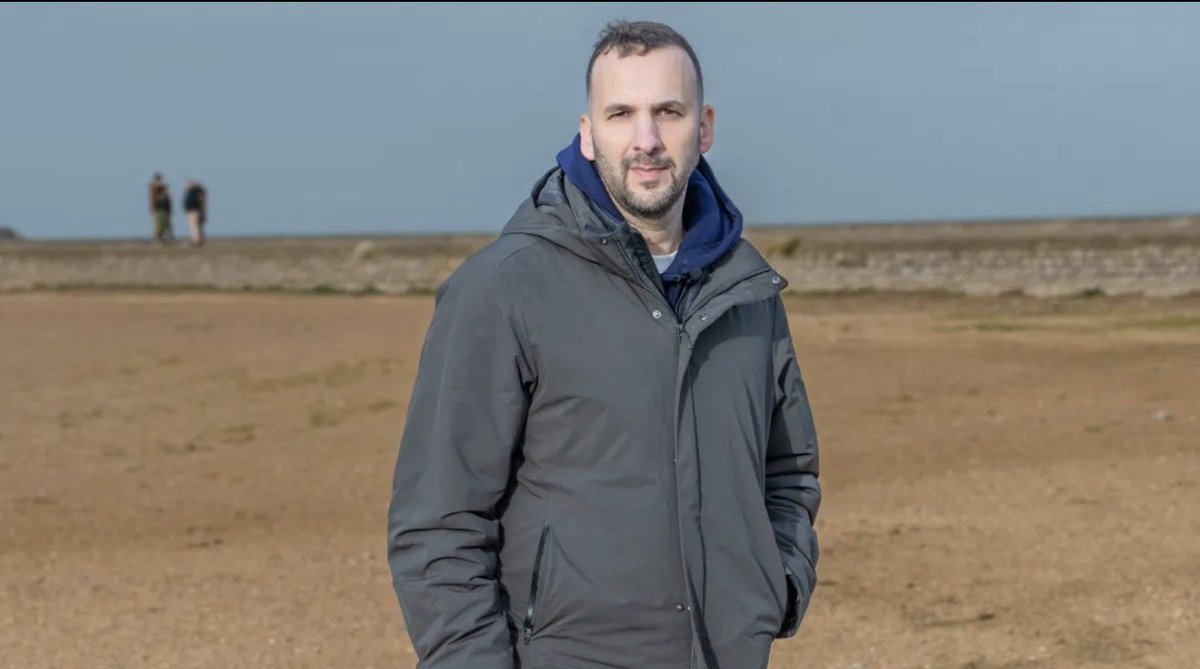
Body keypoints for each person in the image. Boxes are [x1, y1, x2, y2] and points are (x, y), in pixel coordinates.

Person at [387, 20, 821, 669]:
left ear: (703, 127)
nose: (646, 141)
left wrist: (776, 586)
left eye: (668, 112)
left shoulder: (747, 291)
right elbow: (438, 523)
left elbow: (788, 471)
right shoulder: (503, 289)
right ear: (588, 134)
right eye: (621, 114)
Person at [148, 173, 173, 243]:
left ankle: (164, 240)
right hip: (158, 209)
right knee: (158, 225)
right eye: (158, 179)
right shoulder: (153, 188)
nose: (160, 181)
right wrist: (163, 193)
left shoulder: (164, 187)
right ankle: (157, 240)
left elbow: (167, 199)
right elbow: (155, 199)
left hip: (165, 209)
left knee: (166, 225)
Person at [183, 179, 207, 246]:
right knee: (194, 226)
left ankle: (197, 241)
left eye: (188, 184)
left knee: (195, 226)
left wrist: (202, 210)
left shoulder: (196, 191)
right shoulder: (191, 191)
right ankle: (196, 239)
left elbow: (201, 201)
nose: (186, 186)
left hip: (195, 211)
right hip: (192, 211)